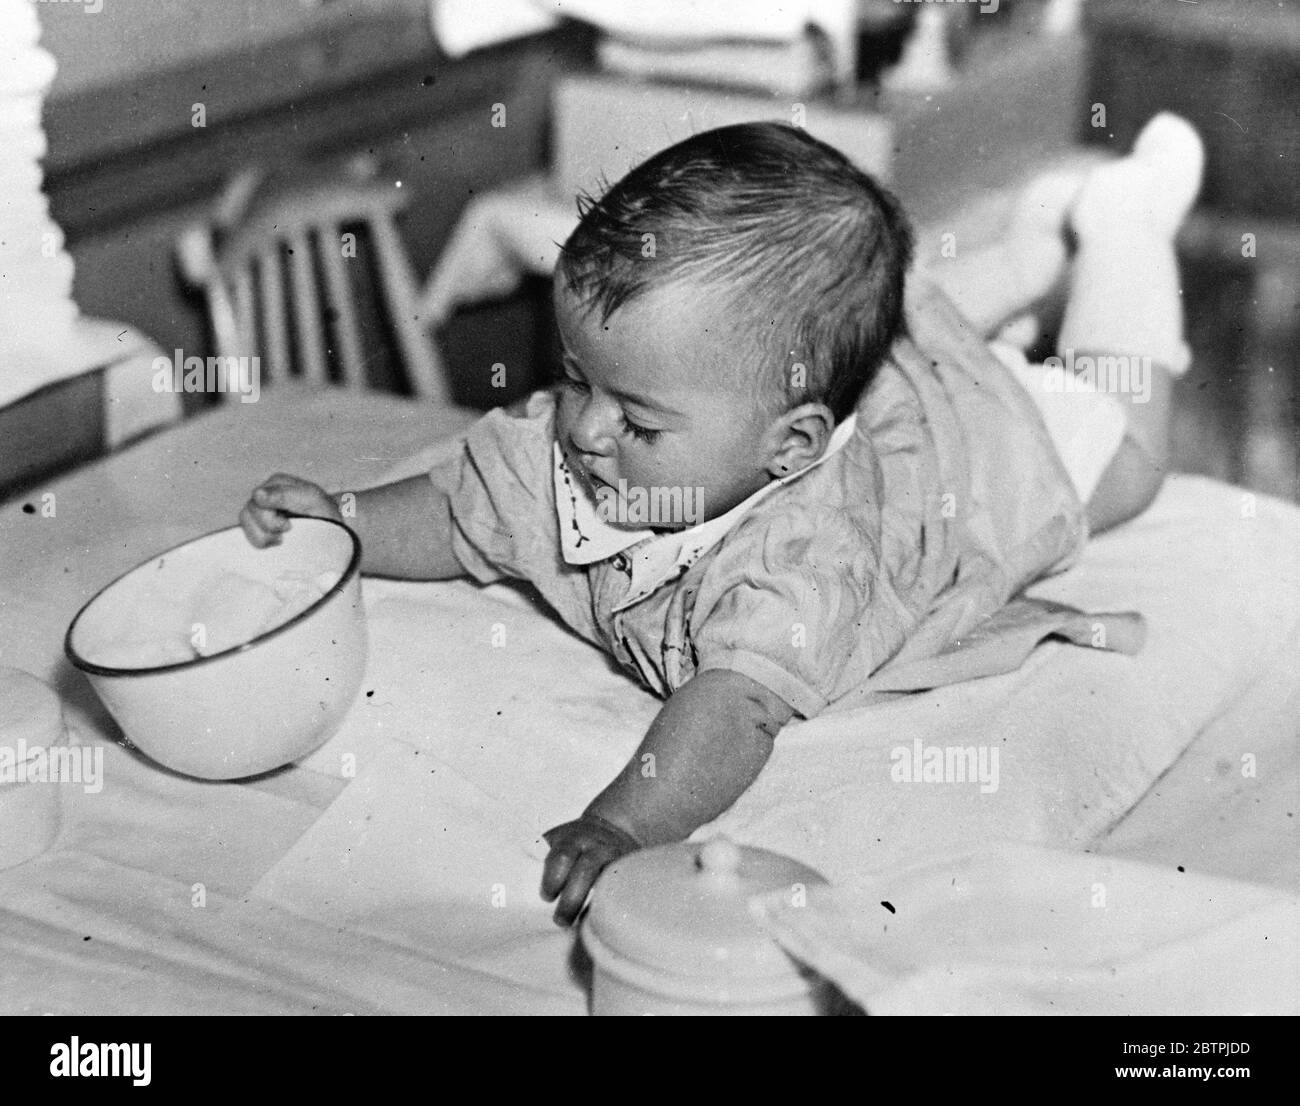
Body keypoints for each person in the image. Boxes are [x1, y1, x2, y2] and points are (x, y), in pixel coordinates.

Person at [240, 114, 1204, 925]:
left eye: (638, 419)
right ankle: (1038, 247)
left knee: (1123, 458)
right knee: (901, 327)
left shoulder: (802, 556)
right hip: (849, 385)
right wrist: (347, 521)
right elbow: (462, 507)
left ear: (787, 448)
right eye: (576, 377)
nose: (581, 428)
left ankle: (1123, 225)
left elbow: (732, 705)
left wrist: (627, 822)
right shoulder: (616, 431)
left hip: (969, 453)